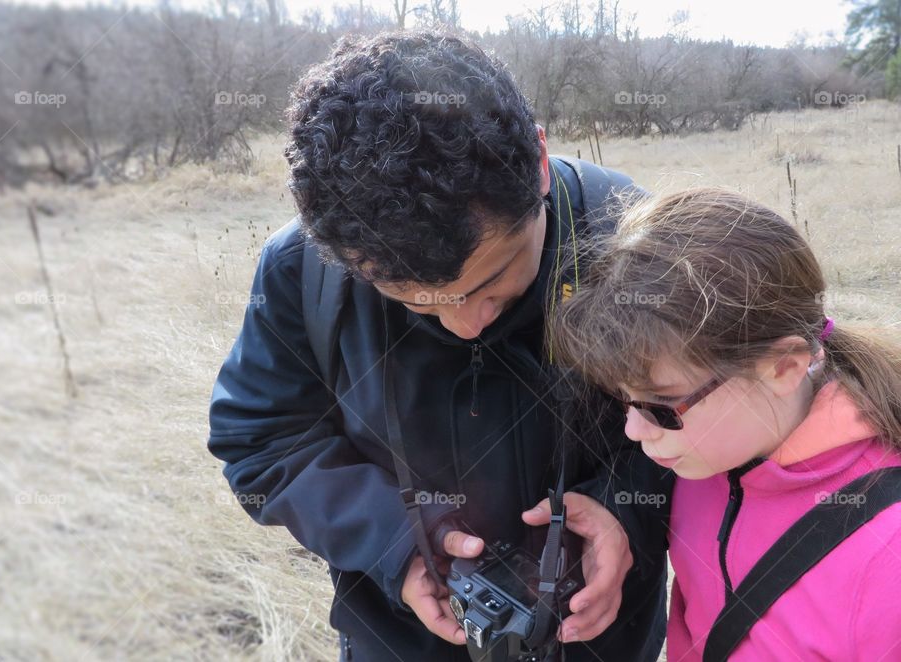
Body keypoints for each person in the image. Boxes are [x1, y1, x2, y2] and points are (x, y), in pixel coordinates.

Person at [207, 31, 670, 661]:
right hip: (396, 641)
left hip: (599, 639)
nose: (466, 326)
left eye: (492, 283)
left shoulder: (639, 248)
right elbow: (260, 440)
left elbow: (717, 416)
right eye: (416, 302)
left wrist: (626, 516)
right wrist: (396, 543)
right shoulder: (304, 269)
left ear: (536, 161)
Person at [549, 187, 901, 659]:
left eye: (662, 405)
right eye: (623, 400)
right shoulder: (706, 464)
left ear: (784, 367)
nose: (634, 429)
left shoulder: (887, 560)